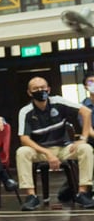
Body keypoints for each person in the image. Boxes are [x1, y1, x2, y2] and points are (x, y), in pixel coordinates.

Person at [15, 76, 94, 211]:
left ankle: (82, 193)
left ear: (49, 89)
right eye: (35, 89)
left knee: (86, 148)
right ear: (29, 92)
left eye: (43, 88)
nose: (40, 90)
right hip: (41, 151)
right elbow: (24, 139)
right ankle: (31, 197)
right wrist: (47, 153)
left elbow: (86, 112)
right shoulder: (25, 111)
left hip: (64, 148)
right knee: (22, 152)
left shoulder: (58, 102)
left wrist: (83, 138)